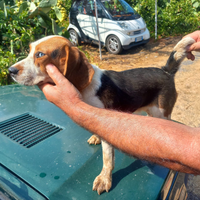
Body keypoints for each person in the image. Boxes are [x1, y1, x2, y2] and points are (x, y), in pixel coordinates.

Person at [39, 31, 200, 174]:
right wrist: (97, 132)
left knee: (162, 125)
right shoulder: (93, 84)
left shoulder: (95, 89)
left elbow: (106, 126)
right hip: (152, 82)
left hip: (159, 90)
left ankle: (108, 169)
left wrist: (106, 172)